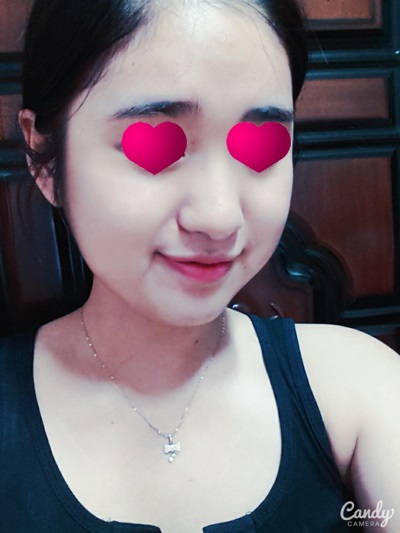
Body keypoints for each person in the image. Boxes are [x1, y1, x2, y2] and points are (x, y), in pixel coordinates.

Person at [0, 0, 399, 531]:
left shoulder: (358, 385)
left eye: (262, 148)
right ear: (44, 158)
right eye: (154, 145)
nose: (219, 217)